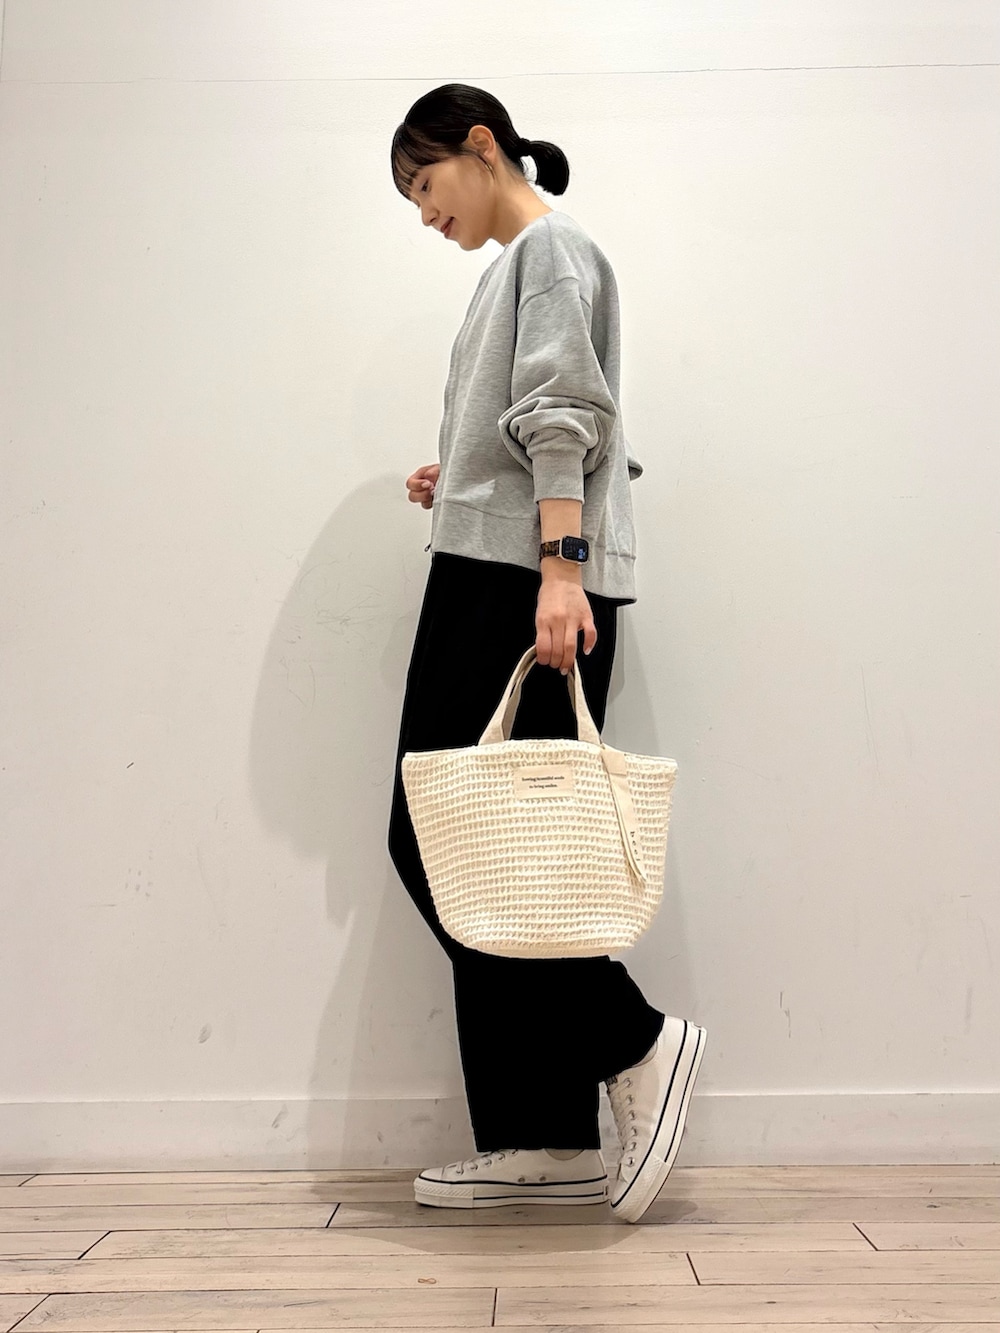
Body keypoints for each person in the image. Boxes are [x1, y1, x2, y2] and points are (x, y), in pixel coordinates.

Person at [387, 83, 706, 1224]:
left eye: (426, 184)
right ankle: (543, 1135)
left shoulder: (550, 251)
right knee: (489, 848)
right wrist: (467, 474)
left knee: (446, 841)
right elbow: (554, 425)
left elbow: (568, 410)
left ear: (481, 147)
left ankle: (635, 1041)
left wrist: (560, 564)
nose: (426, 214)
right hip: (506, 562)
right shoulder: (520, 267)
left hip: (518, 584)